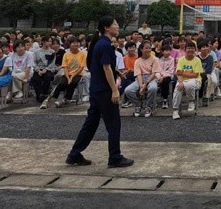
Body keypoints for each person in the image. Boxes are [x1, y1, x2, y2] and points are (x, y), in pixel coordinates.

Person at [67, 15, 134, 168]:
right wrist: (114, 90)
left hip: (96, 90)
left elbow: (100, 65)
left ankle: (74, 154)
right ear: (106, 28)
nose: (117, 26)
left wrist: (117, 72)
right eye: (115, 24)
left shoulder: (100, 43)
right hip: (104, 91)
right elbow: (105, 68)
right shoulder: (105, 45)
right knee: (114, 124)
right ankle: (115, 157)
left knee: (91, 123)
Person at [41, 37, 86, 109]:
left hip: (78, 74)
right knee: (62, 83)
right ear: (70, 44)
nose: (76, 44)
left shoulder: (83, 54)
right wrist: (68, 77)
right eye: (74, 43)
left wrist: (71, 77)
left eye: (77, 42)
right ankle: (49, 99)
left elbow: (81, 67)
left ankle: (65, 99)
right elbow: (65, 67)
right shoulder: (66, 54)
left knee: (73, 82)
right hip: (67, 73)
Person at [124, 40, 160, 118]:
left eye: (149, 48)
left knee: (153, 88)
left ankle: (148, 106)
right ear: (141, 49)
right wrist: (141, 86)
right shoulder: (137, 61)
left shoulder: (155, 59)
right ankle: (138, 104)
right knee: (128, 90)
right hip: (140, 79)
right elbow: (138, 74)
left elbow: (154, 73)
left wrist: (145, 85)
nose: (148, 50)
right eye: (146, 48)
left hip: (151, 78)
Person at [172, 42, 203, 120]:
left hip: (195, 80)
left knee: (190, 85)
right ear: (185, 49)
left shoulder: (197, 60)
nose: (190, 50)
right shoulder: (181, 60)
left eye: (192, 48)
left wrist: (183, 73)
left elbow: (195, 75)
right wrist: (181, 82)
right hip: (182, 80)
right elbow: (178, 73)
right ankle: (175, 110)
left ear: (195, 50)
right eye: (188, 48)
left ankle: (191, 100)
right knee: (178, 88)